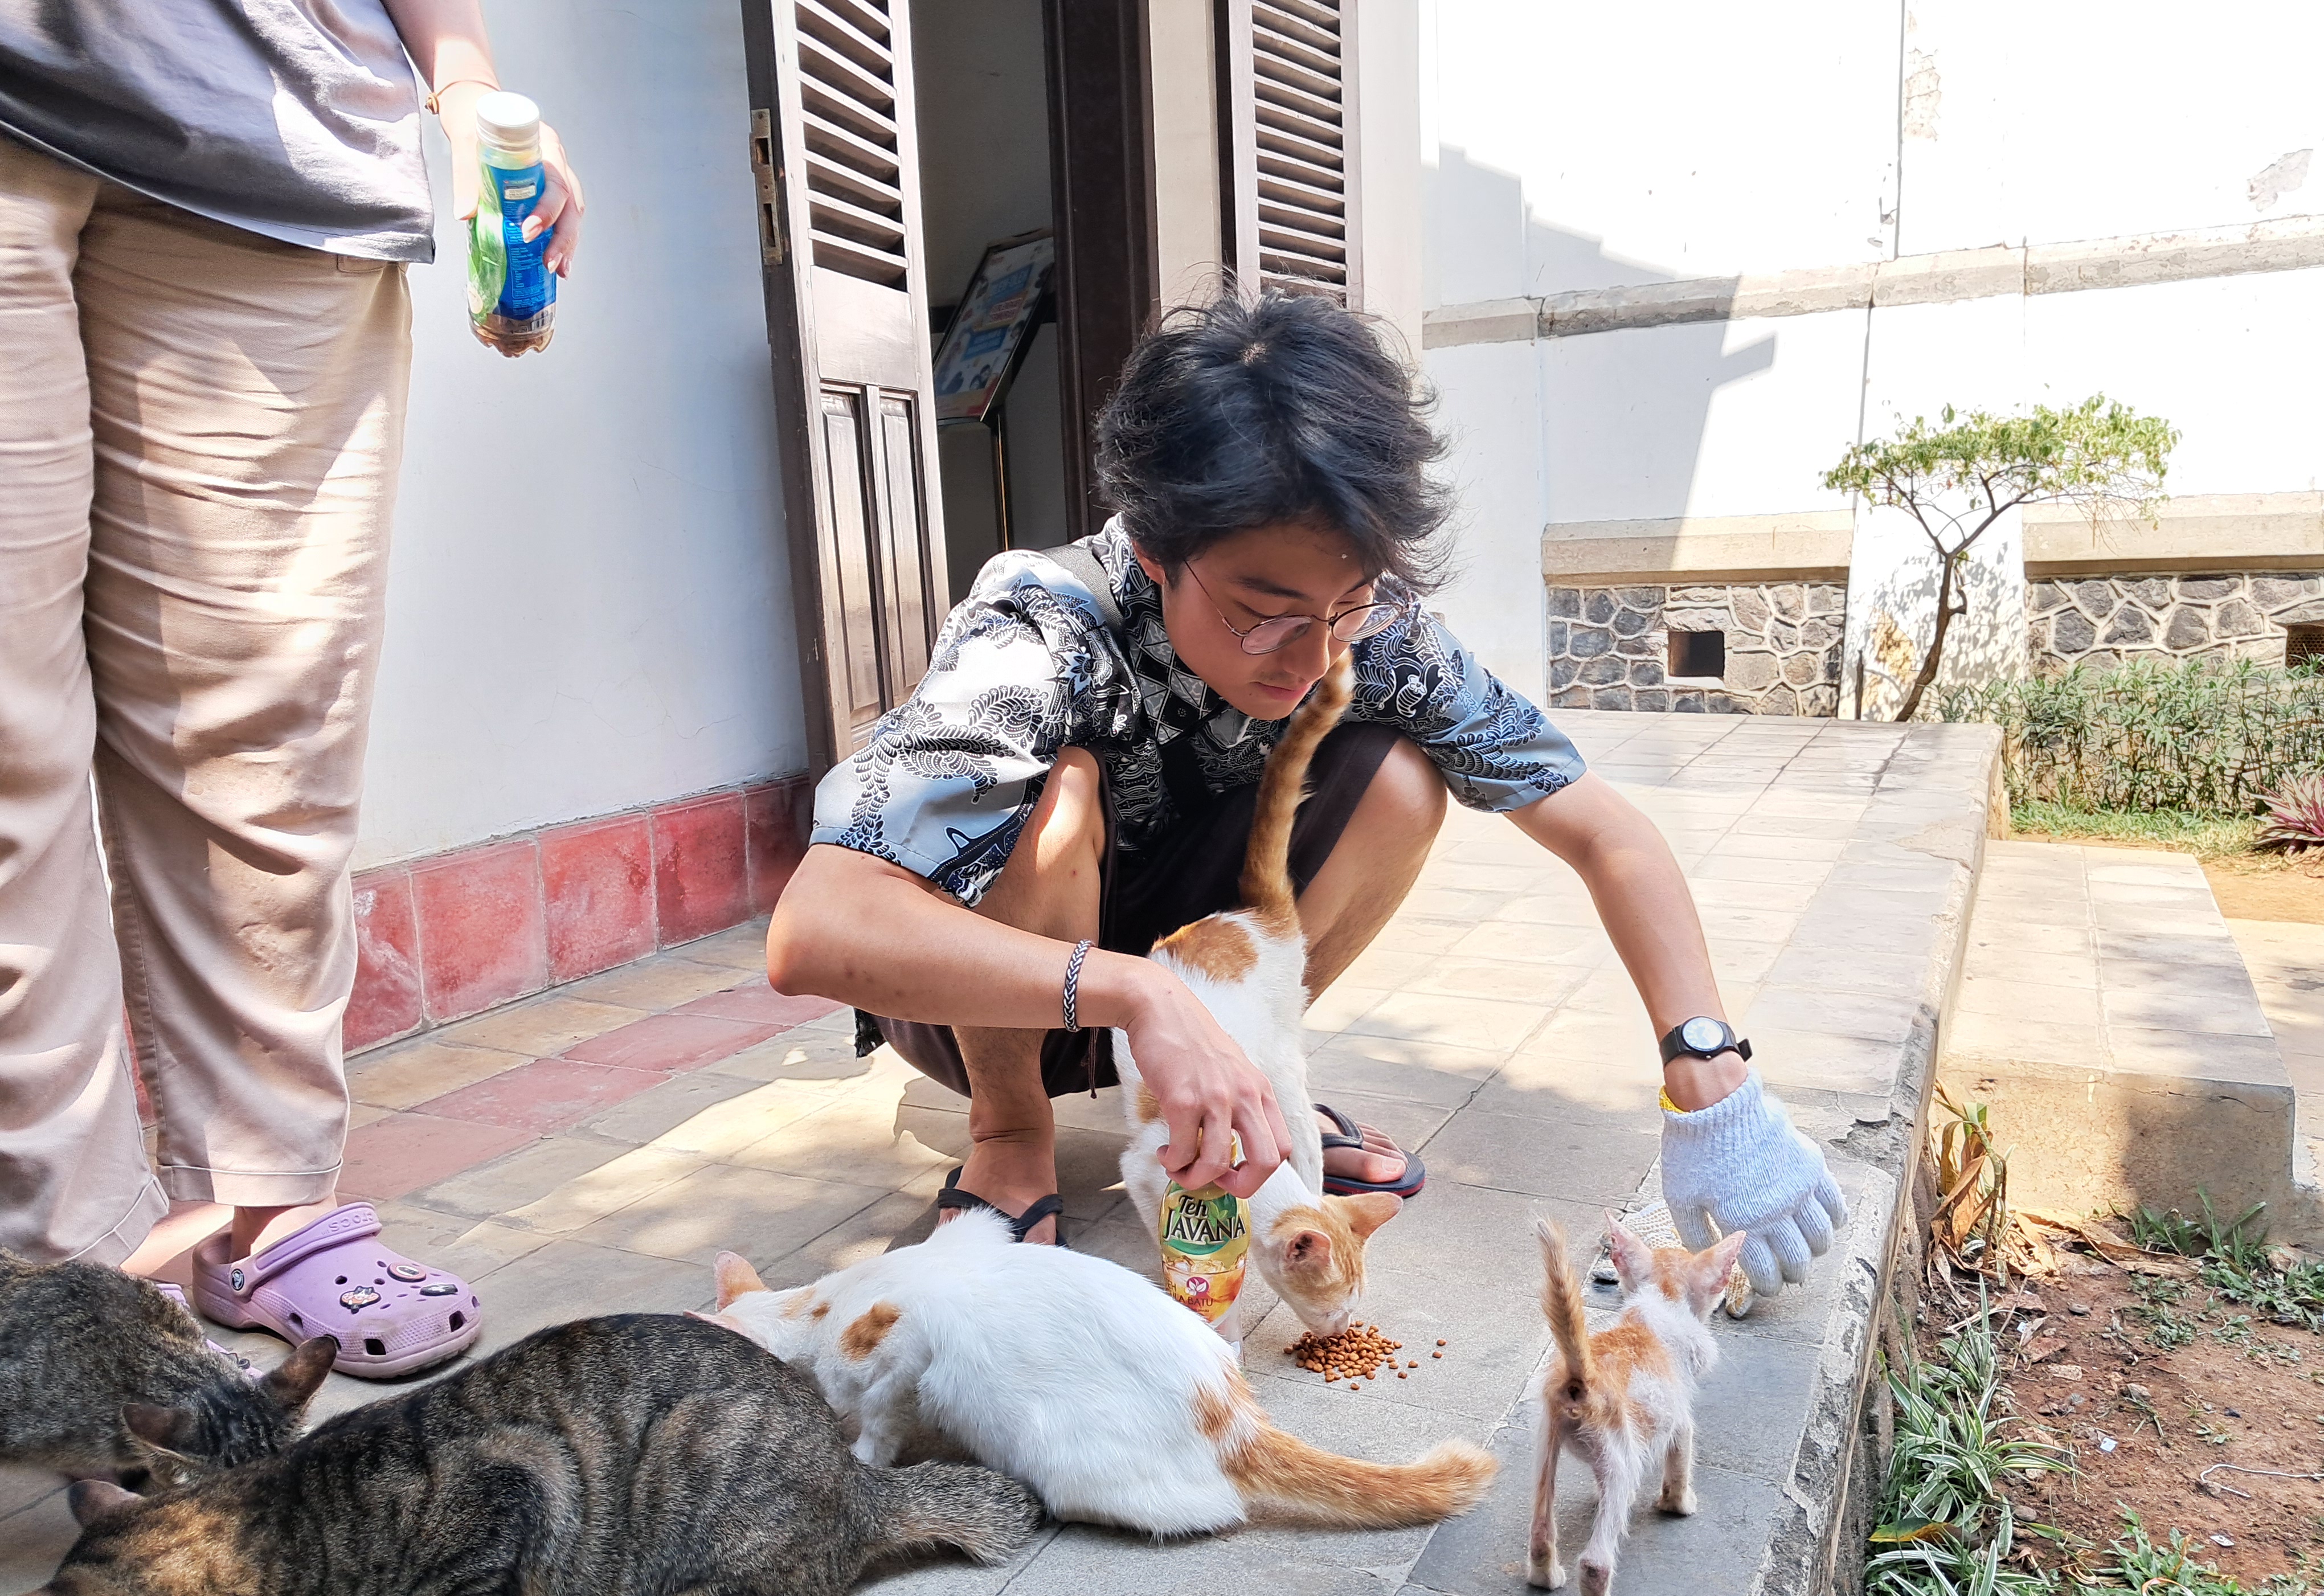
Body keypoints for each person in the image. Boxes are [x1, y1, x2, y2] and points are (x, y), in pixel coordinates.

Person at [766, 290, 1846, 1296]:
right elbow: (815, 932)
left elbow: (1606, 832)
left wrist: (1707, 1065)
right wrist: (1144, 997)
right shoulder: (1038, 631)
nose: (1313, 653)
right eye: (1263, 610)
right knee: (1060, 801)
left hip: (1191, 981)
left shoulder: (1375, 636)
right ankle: (1012, 1137)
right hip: (999, 1008)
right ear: (1155, 547)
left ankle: (1251, 1080)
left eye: (1348, 602)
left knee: (1402, 780)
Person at [0, 0, 581, 1376]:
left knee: (270, 743)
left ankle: (266, 1200)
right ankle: (69, 1277)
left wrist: (466, 84)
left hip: (281, 138)